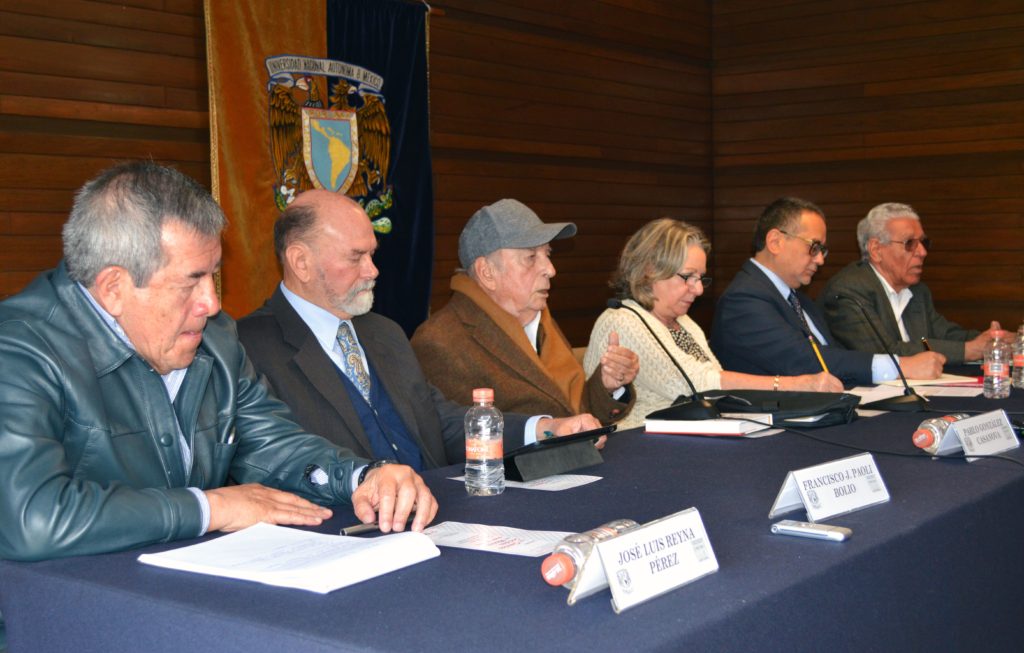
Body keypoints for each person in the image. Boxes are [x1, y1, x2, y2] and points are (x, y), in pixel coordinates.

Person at [0, 162, 437, 567]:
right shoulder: (17, 350)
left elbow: (271, 444)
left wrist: (363, 475)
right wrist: (212, 506)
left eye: (213, 276)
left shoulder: (215, 339)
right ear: (113, 287)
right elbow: (30, 518)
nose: (212, 303)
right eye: (192, 280)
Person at [237, 191, 600, 469]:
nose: (373, 270)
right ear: (301, 261)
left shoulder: (384, 333)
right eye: (355, 257)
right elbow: (274, 461)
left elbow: (439, 423)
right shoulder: (247, 349)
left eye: (372, 255)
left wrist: (545, 430)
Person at [583, 218, 842, 429]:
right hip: (641, 450)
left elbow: (716, 391)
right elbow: (699, 385)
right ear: (651, 270)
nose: (697, 290)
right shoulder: (622, 321)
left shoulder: (684, 322)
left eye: (701, 279)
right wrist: (797, 385)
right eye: (688, 277)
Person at [411, 199, 639, 424]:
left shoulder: (538, 320)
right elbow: (456, 439)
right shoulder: (439, 341)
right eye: (531, 257)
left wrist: (608, 385)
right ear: (487, 272)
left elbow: (571, 411)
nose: (551, 270)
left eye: (547, 254)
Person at [710, 197, 945, 386]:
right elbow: (806, 361)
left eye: (823, 250)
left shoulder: (798, 300)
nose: (820, 260)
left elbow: (834, 356)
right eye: (814, 247)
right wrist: (900, 367)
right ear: (775, 242)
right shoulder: (743, 300)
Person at [820, 202, 1002, 363]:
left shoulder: (917, 291)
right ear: (876, 250)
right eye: (910, 243)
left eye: (923, 242)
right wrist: (967, 351)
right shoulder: (848, 291)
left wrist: (992, 340)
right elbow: (883, 353)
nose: (922, 252)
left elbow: (941, 336)